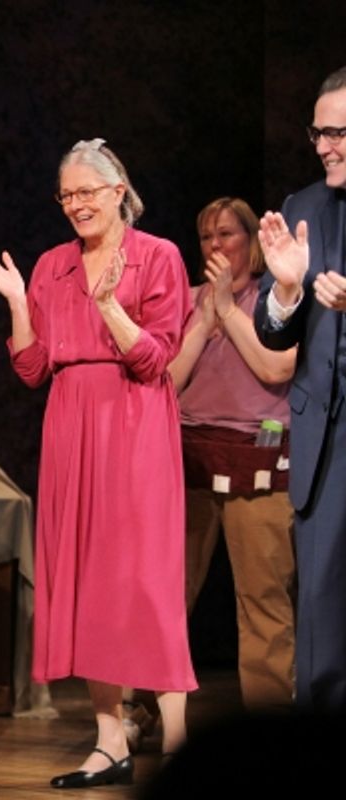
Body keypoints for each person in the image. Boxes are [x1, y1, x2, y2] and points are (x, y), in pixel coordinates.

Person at [0, 139, 196, 788]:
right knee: (90, 582)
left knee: (145, 581)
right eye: (66, 196)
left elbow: (156, 359)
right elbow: (32, 366)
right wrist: (17, 301)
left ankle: (177, 739)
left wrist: (108, 307)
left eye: (87, 193)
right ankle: (109, 742)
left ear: (118, 191)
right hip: (71, 424)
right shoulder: (50, 265)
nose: (76, 205)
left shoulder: (158, 257)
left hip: (134, 423)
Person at [169, 198, 297, 710]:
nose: (216, 245)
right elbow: (168, 381)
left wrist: (227, 309)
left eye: (227, 234)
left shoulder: (279, 297)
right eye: (206, 236)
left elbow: (275, 369)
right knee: (167, 594)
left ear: (253, 241)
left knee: (263, 598)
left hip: (259, 459)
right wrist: (204, 319)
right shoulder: (189, 299)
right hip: (188, 456)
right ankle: (138, 711)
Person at [254, 65, 346, 712]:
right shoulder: (301, 208)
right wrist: (285, 292)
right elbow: (272, 331)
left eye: (339, 132)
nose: (324, 146)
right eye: (318, 132)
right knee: (321, 620)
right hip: (326, 449)